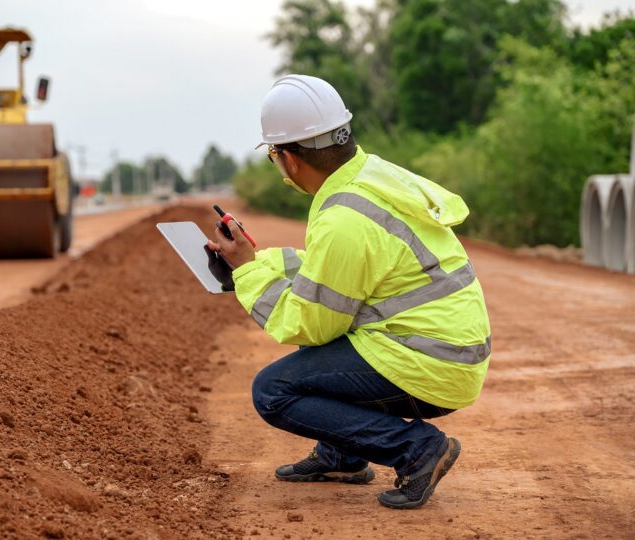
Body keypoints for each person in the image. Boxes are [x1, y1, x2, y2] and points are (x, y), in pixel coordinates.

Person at [207, 74, 491, 509]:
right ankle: (342, 454)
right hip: (448, 349)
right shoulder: (372, 178)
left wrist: (245, 273)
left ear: (289, 159)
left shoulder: (344, 218)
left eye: (271, 155)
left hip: (430, 361)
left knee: (273, 391)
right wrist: (253, 260)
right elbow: (332, 277)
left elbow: (307, 323)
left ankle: (415, 449)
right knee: (334, 346)